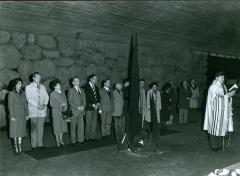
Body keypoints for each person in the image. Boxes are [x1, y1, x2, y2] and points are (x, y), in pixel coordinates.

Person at [203, 72, 235, 152]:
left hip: (222, 111)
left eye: (223, 78)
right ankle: (214, 146)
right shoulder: (213, 87)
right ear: (216, 78)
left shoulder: (223, 86)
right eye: (221, 77)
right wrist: (227, 95)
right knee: (215, 128)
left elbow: (225, 96)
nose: (223, 79)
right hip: (215, 112)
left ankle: (221, 145)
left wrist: (230, 95)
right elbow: (215, 97)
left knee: (221, 128)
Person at [25, 72, 49, 150]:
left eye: (40, 77)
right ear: (33, 78)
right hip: (34, 111)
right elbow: (29, 99)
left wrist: (44, 104)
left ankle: (40, 144)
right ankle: (34, 145)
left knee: (41, 128)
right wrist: (38, 106)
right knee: (34, 128)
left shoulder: (43, 87)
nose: (39, 78)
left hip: (42, 111)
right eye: (38, 77)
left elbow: (46, 97)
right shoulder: (28, 87)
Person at [8, 78, 29, 154]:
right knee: (14, 132)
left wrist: (27, 114)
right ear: (15, 85)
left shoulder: (23, 93)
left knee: (20, 132)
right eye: (19, 84)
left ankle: (20, 148)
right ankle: (16, 149)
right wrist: (12, 116)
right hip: (15, 116)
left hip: (22, 115)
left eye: (21, 83)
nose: (20, 85)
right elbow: (10, 106)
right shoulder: (11, 93)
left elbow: (25, 105)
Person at [49, 79, 68, 147]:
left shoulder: (63, 92)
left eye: (59, 84)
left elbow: (66, 101)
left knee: (62, 126)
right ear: (54, 86)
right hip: (56, 112)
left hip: (63, 112)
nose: (59, 86)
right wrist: (60, 105)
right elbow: (51, 104)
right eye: (57, 85)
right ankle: (57, 141)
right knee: (57, 127)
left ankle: (61, 140)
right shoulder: (52, 94)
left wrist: (66, 106)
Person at [68, 76, 86, 144]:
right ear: (73, 83)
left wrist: (83, 106)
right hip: (74, 111)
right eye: (75, 81)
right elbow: (70, 101)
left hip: (81, 111)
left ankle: (80, 140)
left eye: (78, 81)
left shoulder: (82, 90)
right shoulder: (71, 90)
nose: (77, 82)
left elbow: (84, 100)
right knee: (73, 127)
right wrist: (77, 107)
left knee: (81, 126)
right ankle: (73, 141)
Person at [82, 74, 101, 140]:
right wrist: (93, 105)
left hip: (96, 108)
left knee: (94, 123)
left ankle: (92, 137)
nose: (96, 80)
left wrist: (98, 104)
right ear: (90, 79)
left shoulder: (96, 87)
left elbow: (99, 97)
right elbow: (85, 99)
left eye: (96, 79)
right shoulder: (85, 87)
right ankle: (86, 138)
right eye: (94, 78)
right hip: (89, 108)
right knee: (88, 123)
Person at [145, 82, 161, 149]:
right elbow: (148, 100)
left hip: (156, 108)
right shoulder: (149, 92)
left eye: (155, 86)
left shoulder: (158, 92)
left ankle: (155, 131)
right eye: (153, 86)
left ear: (157, 87)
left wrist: (160, 106)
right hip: (151, 109)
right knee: (150, 120)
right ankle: (150, 132)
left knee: (156, 120)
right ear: (151, 87)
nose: (154, 87)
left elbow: (159, 100)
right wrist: (148, 107)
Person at [112, 83, 126, 152]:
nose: (121, 86)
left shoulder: (121, 92)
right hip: (116, 114)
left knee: (122, 129)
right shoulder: (113, 93)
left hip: (121, 113)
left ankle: (123, 143)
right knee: (117, 130)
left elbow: (122, 102)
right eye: (120, 85)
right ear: (116, 86)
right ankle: (119, 144)